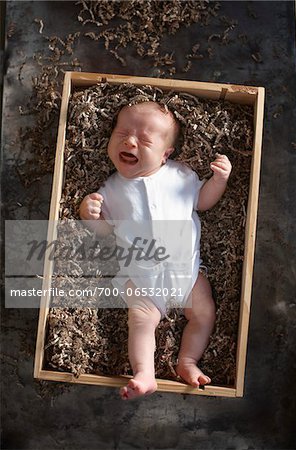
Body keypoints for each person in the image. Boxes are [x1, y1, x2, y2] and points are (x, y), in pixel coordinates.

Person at [79, 101, 232, 400]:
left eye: (145, 140)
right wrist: (89, 214)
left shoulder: (182, 177)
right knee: (140, 319)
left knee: (203, 312)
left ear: (165, 154)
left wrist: (219, 181)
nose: (130, 141)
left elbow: (202, 202)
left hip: (186, 272)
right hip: (142, 277)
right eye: (121, 133)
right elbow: (106, 232)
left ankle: (187, 361)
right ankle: (144, 373)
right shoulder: (110, 190)